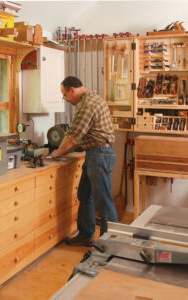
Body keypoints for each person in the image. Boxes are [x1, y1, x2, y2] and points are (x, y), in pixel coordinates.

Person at [51, 76, 118, 247]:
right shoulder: (92, 98)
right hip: (95, 153)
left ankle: (109, 246)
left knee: (104, 203)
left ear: (72, 90)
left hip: (100, 154)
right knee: (84, 194)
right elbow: (79, 137)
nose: (65, 99)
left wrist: (56, 154)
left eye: (64, 95)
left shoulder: (87, 105)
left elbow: (73, 137)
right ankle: (86, 234)